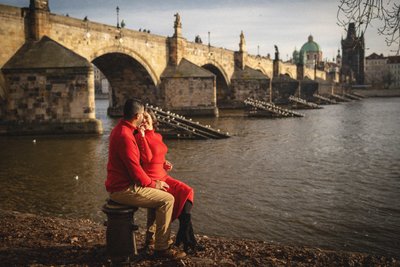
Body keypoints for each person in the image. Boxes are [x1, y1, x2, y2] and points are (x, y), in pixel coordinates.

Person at [105, 99, 185, 259]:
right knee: (167, 200)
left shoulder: (122, 130)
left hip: (122, 185)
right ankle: (162, 248)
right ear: (137, 115)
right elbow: (135, 170)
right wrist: (153, 183)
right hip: (123, 189)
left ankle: (152, 240)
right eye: (142, 114)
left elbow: (142, 161)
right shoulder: (125, 136)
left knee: (160, 195)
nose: (144, 117)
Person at [135, 109, 203, 254]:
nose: (145, 120)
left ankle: (183, 235)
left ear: (153, 120)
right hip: (152, 178)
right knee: (165, 203)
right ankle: (188, 239)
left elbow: (157, 155)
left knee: (187, 191)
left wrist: (164, 162)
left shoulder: (157, 136)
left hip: (163, 175)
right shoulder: (138, 137)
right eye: (143, 118)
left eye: (147, 118)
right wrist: (141, 136)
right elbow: (145, 158)